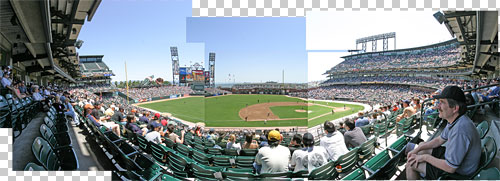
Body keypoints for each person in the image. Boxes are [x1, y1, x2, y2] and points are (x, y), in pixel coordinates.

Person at [405, 86, 481, 180]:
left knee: (410, 164)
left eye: (442, 102)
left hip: (459, 172)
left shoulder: (460, 130)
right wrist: (419, 148)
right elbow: (439, 140)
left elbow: (451, 167)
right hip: (454, 159)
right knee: (421, 146)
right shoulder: (456, 119)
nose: (438, 106)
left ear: (455, 108)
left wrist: (425, 158)